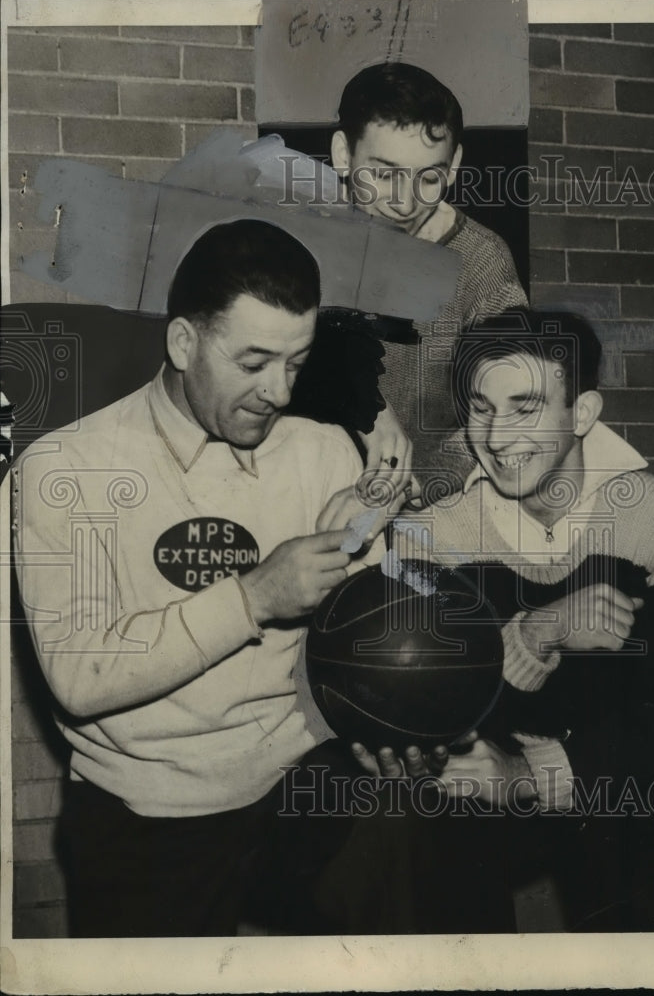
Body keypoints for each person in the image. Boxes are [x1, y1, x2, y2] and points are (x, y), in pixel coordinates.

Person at [12, 219, 390, 938]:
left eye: (295, 362)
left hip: (299, 785)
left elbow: (361, 642)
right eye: (253, 362)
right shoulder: (69, 470)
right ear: (184, 343)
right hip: (148, 814)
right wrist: (253, 597)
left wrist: (376, 561)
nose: (278, 391)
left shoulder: (322, 452)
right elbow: (81, 676)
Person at [348, 308, 654, 932]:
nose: (495, 438)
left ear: (582, 414)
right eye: (481, 408)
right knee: (429, 810)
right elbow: (434, 702)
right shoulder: (433, 534)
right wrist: (535, 631)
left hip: (611, 792)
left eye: (525, 408)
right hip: (485, 781)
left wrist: (531, 775)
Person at [329, 62, 529, 500]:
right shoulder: (299, 244)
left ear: (454, 164)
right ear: (343, 154)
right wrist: (367, 406)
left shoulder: (482, 261)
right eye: (384, 174)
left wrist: (424, 483)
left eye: (430, 178)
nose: (405, 202)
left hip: (430, 506)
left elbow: (511, 406)